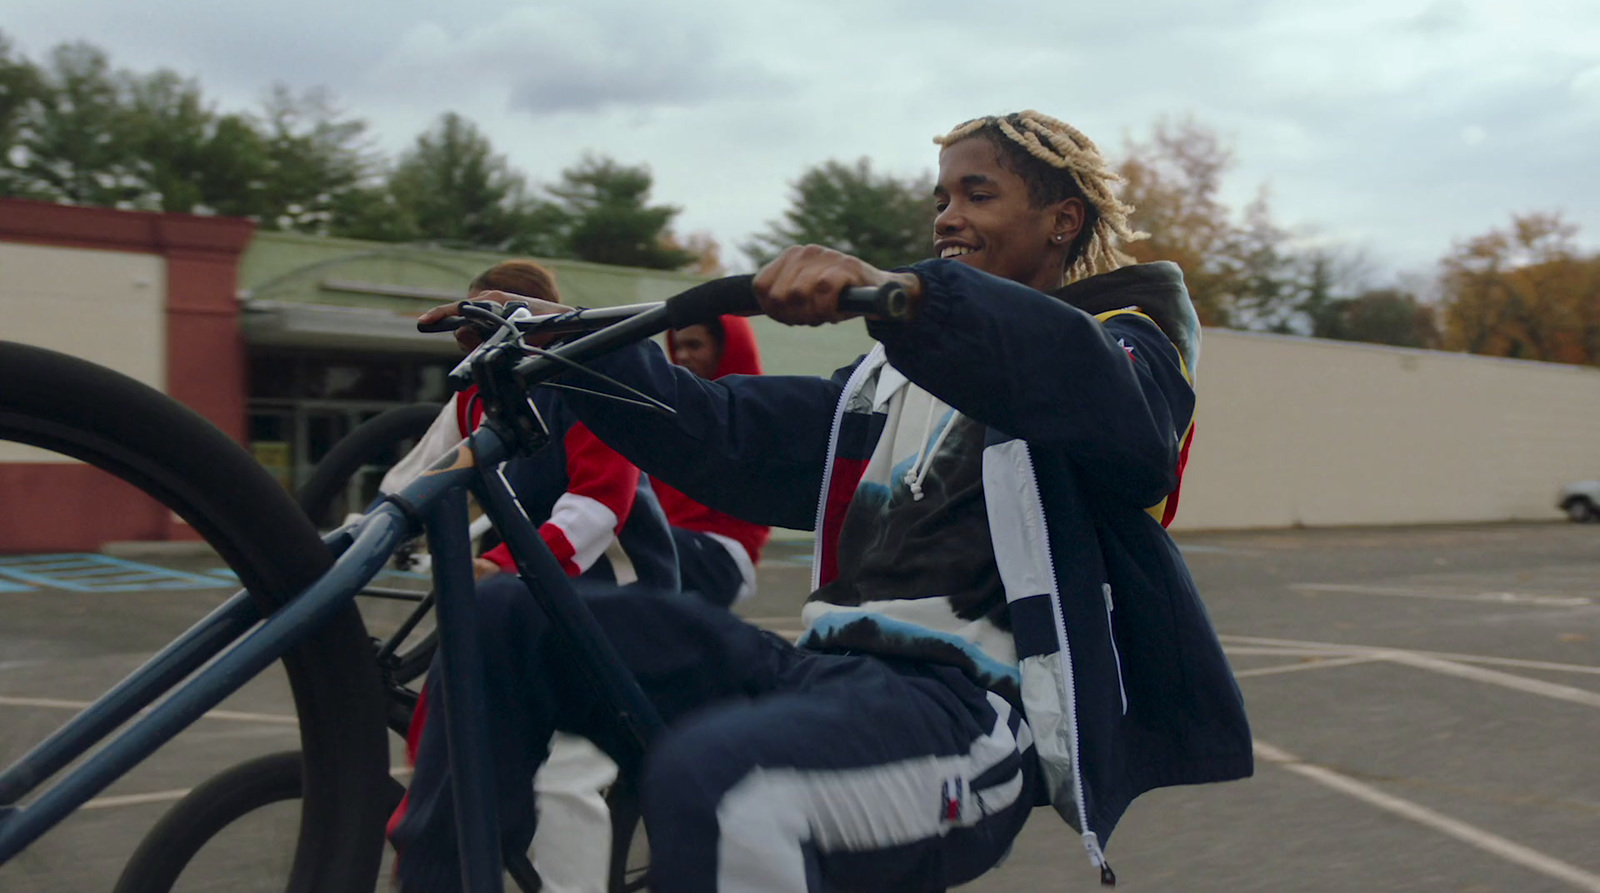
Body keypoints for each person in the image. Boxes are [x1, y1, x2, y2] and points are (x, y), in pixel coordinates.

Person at [390, 111, 1252, 893]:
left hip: (967, 715)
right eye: (941, 197)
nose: (947, 216)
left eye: (976, 193)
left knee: (724, 782)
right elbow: (722, 432)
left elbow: (1114, 416)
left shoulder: (1128, 344)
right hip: (826, 675)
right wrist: (558, 331)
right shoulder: (885, 381)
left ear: (1062, 219)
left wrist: (913, 299)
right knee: (504, 618)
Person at [382, 259, 676, 893]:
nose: (469, 333)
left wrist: (507, 564)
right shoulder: (475, 396)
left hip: (617, 604)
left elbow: (598, 507)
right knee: (453, 728)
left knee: (563, 768)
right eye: (467, 316)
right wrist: (332, 555)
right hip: (531, 598)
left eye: (485, 315)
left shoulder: (584, 379)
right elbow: (410, 486)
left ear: (530, 322)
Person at [661, 316, 772, 607]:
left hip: (724, 552)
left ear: (726, 349)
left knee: (630, 549)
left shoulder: (757, 418)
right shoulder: (668, 415)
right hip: (674, 542)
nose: (682, 356)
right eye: (676, 347)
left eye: (694, 345)